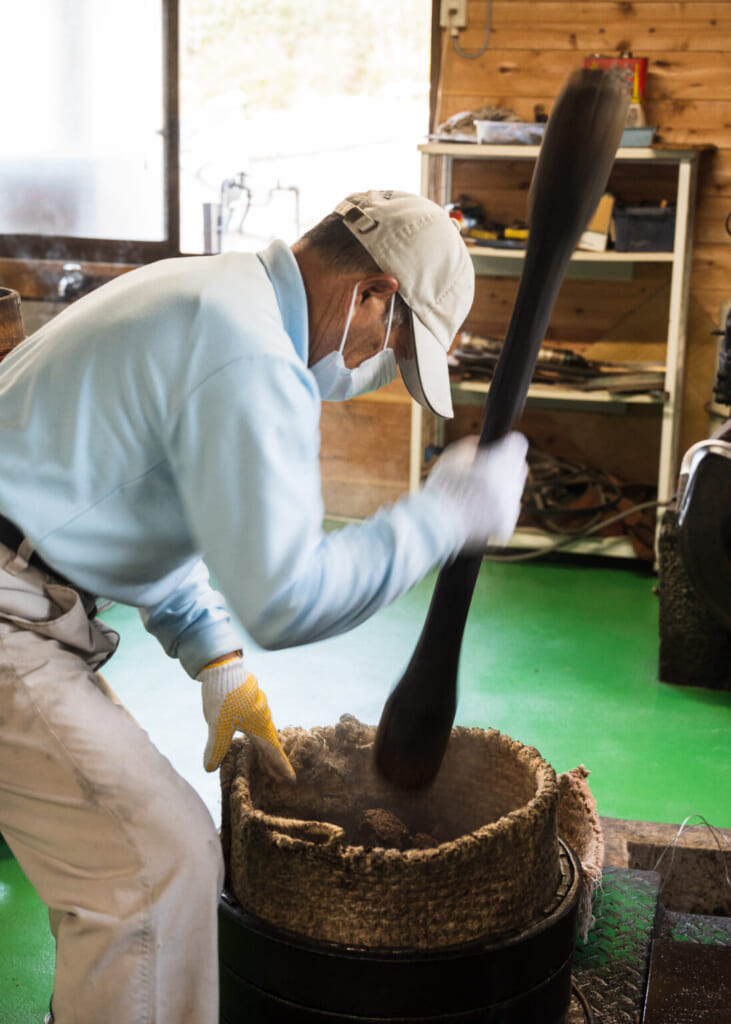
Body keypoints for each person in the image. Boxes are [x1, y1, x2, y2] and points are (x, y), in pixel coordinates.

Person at [0, 190, 528, 1024]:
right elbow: (285, 601)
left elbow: (116, 504)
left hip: (24, 587)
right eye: (387, 344)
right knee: (156, 869)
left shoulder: (212, 292)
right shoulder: (248, 354)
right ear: (373, 294)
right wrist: (442, 516)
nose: (366, 367)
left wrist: (213, 656)